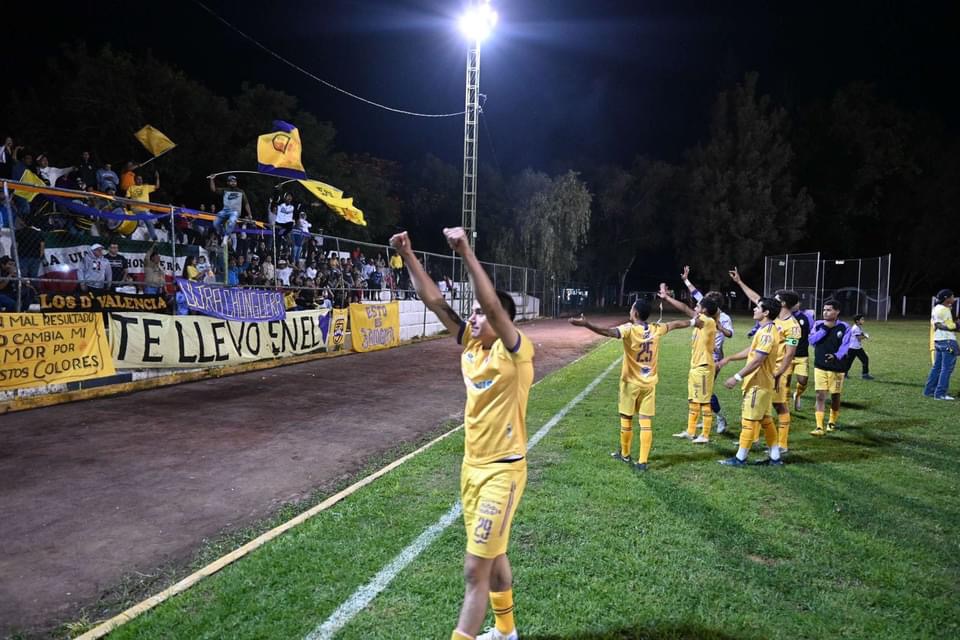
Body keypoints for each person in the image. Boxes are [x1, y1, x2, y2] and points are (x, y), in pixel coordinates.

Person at [391, 226, 533, 640]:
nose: (471, 316)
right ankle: (507, 633)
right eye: (470, 312)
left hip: (502, 472)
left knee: (475, 569)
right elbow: (435, 302)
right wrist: (408, 254)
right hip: (471, 469)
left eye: (478, 313)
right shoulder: (472, 346)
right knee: (496, 555)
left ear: (497, 319)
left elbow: (490, 302)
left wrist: (467, 251)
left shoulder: (516, 351)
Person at [570, 298, 693, 471]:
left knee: (626, 419)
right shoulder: (656, 329)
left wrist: (587, 324)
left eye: (631, 309)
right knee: (645, 422)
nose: (629, 311)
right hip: (649, 384)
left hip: (630, 384)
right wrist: (694, 321)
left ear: (635, 313)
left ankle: (626, 455)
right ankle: (642, 462)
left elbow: (608, 332)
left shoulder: (629, 330)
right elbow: (675, 324)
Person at [729, 268, 800, 453]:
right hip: (763, 370)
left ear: (782, 303)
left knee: (779, 405)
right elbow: (756, 298)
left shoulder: (793, 327)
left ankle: (781, 445)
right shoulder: (771, 318)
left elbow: (790, 354)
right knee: (762, 407)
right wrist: (740, 282)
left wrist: (780, 373)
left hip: (777, 371)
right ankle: (751, 440)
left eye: (775, 297)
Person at [718, 297, 784, 466]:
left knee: (748, 421)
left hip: (758, 384)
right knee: (766, 420)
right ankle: (775, 458)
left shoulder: (768, 334)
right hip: (762, 383)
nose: (754, 309)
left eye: (757, 307)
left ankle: (740, 458)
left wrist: (736, 377)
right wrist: (731, 358)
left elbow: (757, 360)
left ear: (766, 312)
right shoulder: (765, 330)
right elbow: (753, 351)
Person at [658, 284, 719, 443]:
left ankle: (705, 435)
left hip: (704, 367)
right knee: (693, 400)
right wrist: (667, 297)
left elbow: (685, 311)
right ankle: (691, 432)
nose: (695, 307)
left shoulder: (707, 321)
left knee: (704, 402)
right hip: (696, 367)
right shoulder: (702, 319)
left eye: (698, 306)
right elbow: (686, 308)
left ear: (704, 310)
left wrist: (668, 298)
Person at [681, 266, 734, 432]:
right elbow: (695, 292)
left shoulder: (723, 318)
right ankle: (706, 419)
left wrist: (719, 327)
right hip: (700, 356)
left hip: (713, 358)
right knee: (701, 390)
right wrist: (685, 280)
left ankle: (720, 418)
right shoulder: (706, 311)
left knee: (706, 390)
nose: (699, 302)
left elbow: (730, 334)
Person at [809, 299, 853, 435]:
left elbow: (845, 346)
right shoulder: (818, 325)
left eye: (829, 310)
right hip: (820, 365)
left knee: (835, 396)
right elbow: (811, 340)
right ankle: (819, 427)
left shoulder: (844, 327)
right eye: (824, 310)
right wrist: (824, 329)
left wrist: (836, 355)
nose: (825, 312)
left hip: (837, 367)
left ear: (837, 311)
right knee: (820, 395)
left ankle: (832, 422)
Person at [924, 289, 958, 400]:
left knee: (937, 368)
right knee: (946, 369)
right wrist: (957, 324)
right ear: (946, 298)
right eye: (952, 297)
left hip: (938, 340)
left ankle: (929, 391)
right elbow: (951, 326)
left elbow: (937, 324)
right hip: (948, 340)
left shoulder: (936, 308)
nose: (954, 299)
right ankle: (940, 394)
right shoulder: (945, 310)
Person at [209, 174, 252, 246]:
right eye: (231, 181)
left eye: (234, 181)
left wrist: (250, 214)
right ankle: (224, 234)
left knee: (231, 221)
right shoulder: (225, 190)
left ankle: (226, 237)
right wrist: (211, 179)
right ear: (228, 183)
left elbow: (246, 203)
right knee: (215, 223)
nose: (233, 183)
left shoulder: (241, 191)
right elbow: (213, 189)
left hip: (235, 211)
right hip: (225, 211)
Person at [126, 172, 161, 241]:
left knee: (149, 223)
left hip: (144, 210)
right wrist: (127, 208)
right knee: (131, 225)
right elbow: (127, 198)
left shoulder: (146, 186)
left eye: (141, 179)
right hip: (134, 210)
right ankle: (128, 239)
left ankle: (154, 238)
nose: (140, 180)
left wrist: (157, 177)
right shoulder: (131, 187)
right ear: (135, 180)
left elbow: (157, 186)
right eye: (138, 179)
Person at [845, 314, 874, 380]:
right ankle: (844, 375)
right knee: (849, 362)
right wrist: (866, 336)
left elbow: (860, 334)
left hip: (857, 347)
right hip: (853, 348)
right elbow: (858, 337)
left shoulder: (858, 327)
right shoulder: (856, 328)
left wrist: (864, 334)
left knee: (865, 359)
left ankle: (865, 375)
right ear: (857, 321)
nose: (863, 321)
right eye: (862, 319)